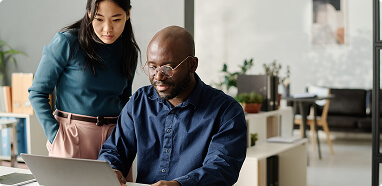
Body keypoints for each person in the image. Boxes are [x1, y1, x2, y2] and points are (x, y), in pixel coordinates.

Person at [98, 26, 247, 186]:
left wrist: (179, 185)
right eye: (152, 67)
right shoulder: (140, 101)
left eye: (168, 68)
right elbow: (115, 150)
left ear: (192, 65)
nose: (158, 76)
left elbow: (222, 168)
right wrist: (112, 170)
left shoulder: (226, 111)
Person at [28, 0, 139, 180]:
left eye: (116, 20)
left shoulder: (128, 51)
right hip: (71, 136)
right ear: (89, 13)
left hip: (114, 140)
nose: (107, 29)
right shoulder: (68, 42)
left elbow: (125, 100)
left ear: (128, 14)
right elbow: (38, 92)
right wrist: (55, 135)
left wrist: (124, 137)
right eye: (99, 19)